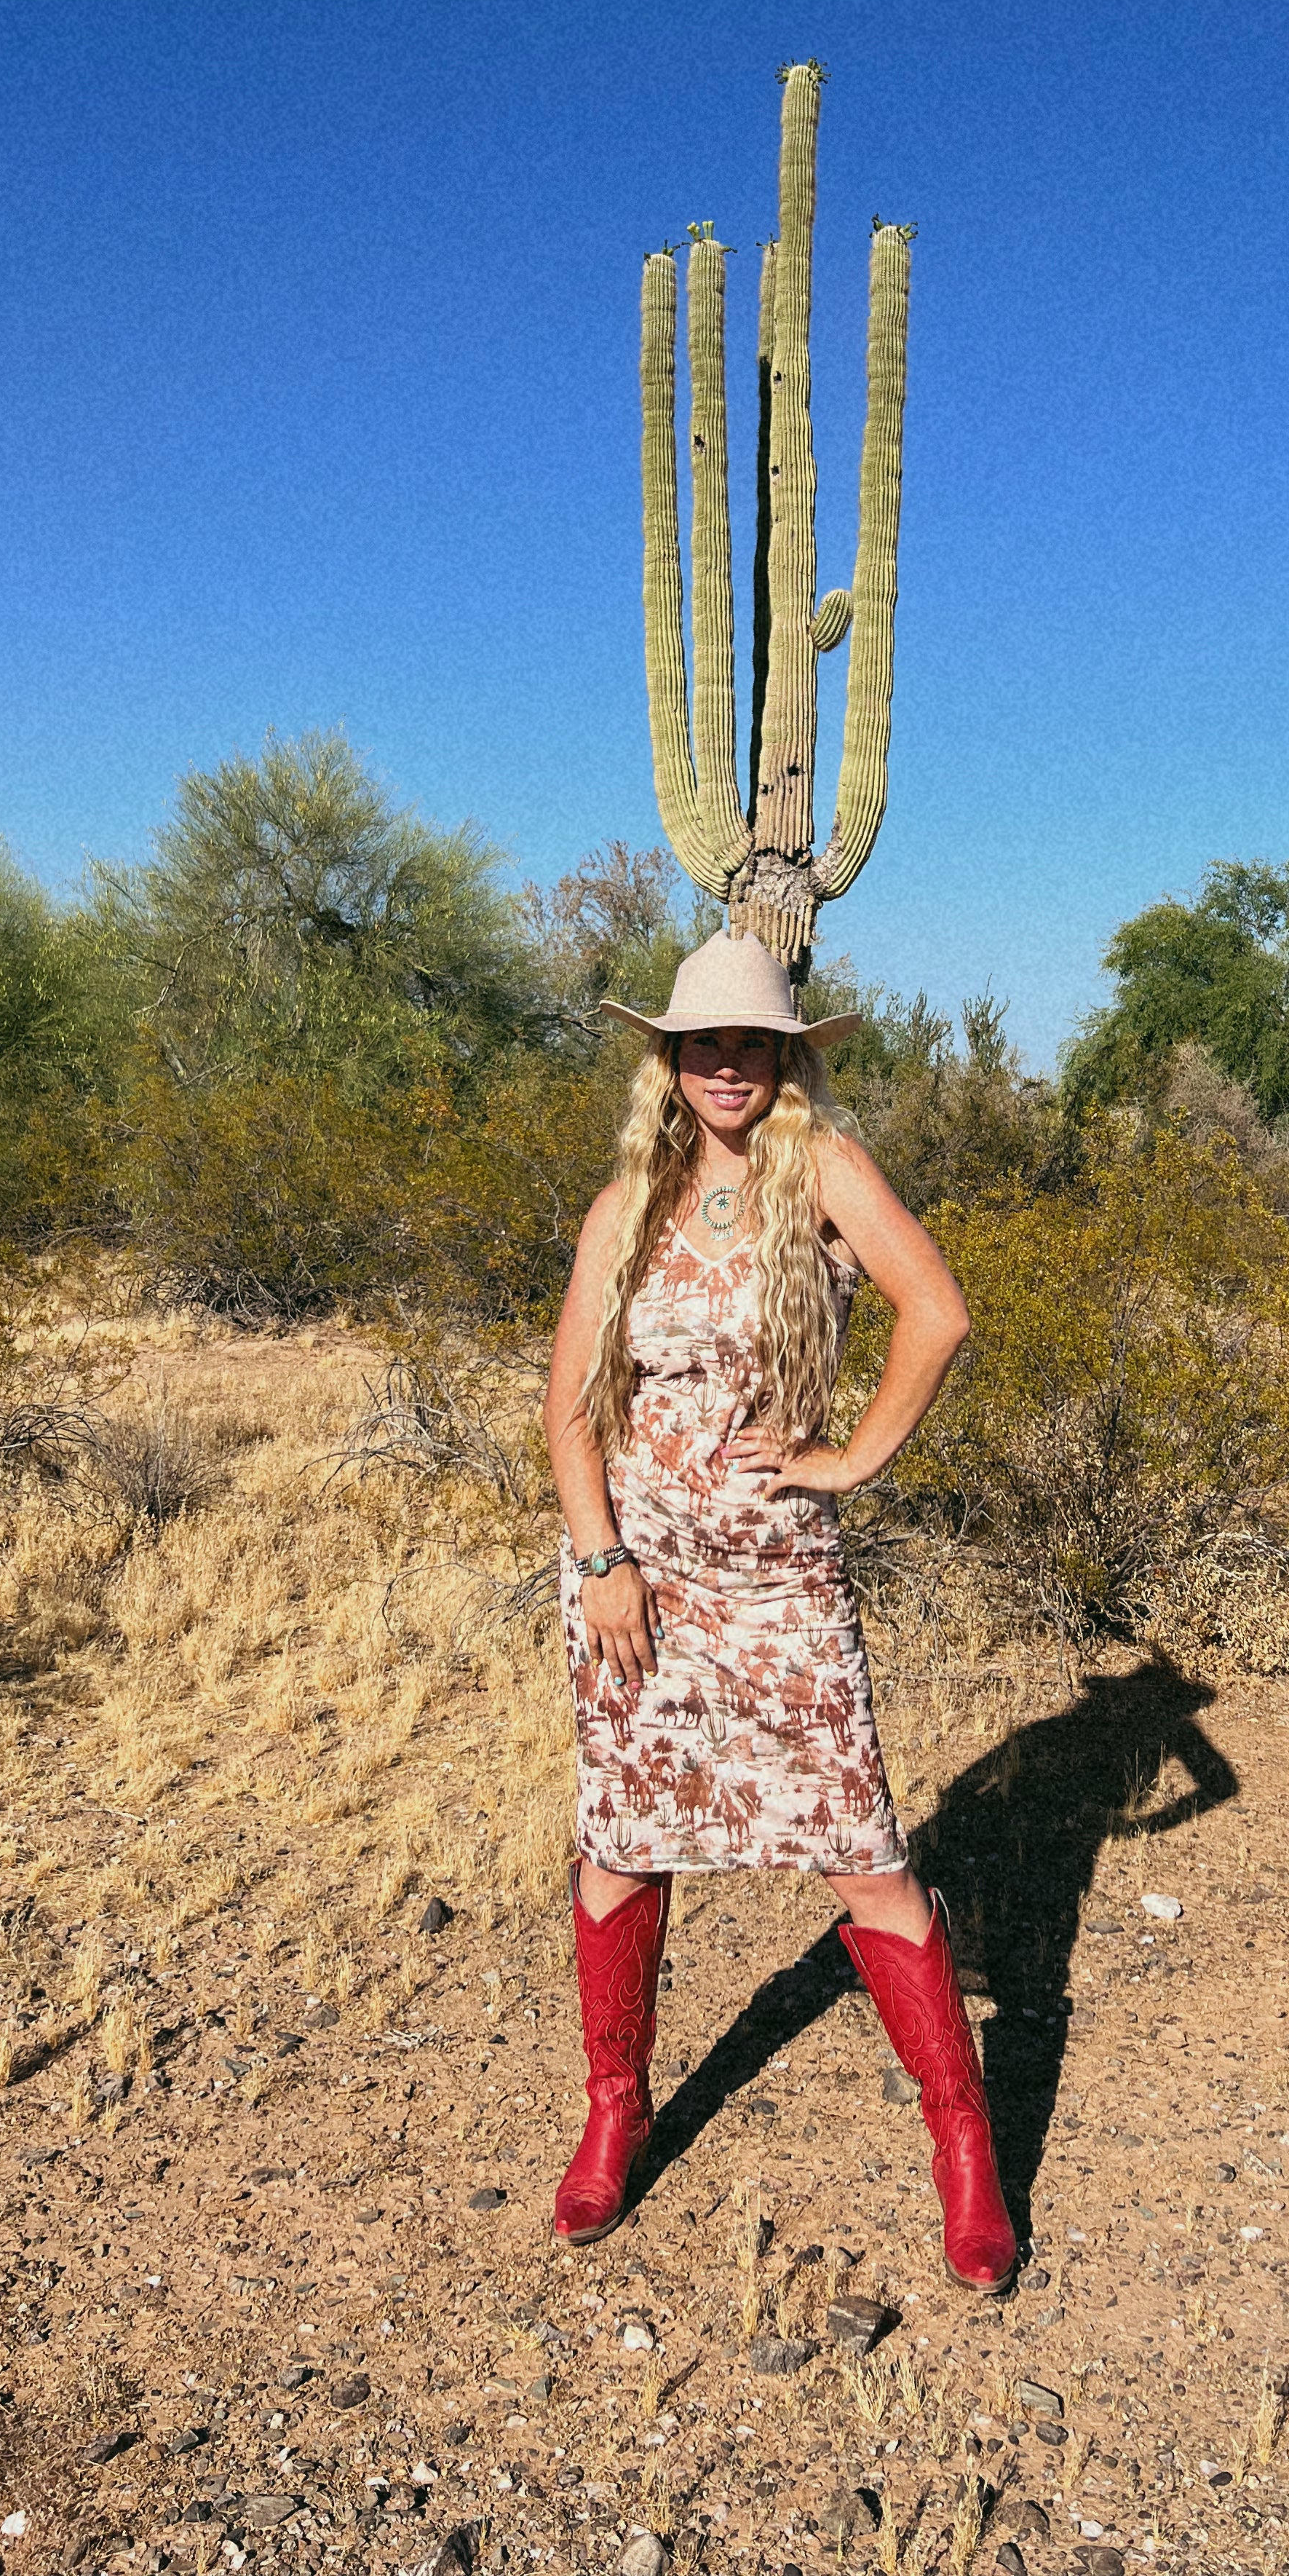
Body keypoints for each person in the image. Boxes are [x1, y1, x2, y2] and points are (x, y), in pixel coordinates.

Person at [541, 928, 1016, 2292]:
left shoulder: (829, 1178)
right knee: (625, 1844)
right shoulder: (629, 1199)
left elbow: (937, 1311)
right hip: (640, 1584)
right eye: (703, 1047)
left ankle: (961, 2143)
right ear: (671, 1062)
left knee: (862, 1852)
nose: (726, 1068)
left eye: (751, 1045)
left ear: (785, 1057)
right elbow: (572, 1404)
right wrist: (600, 1561)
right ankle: (615, 2112)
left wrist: (852, 1455)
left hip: (779, 1578)